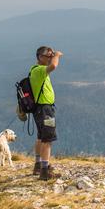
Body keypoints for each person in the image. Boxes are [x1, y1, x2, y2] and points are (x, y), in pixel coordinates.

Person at [29, 46, 63, 180]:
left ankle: (38, 165)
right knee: (47, 139)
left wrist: (52, 55)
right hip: (45, 109)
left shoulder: (35, 70)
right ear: (40, 57)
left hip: (39, 109)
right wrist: (57, 55)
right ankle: (45, 170)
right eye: (48, 56)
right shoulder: (40, 70)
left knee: (40, 138)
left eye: (51, 55)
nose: (50, 58)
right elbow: (54, 66)